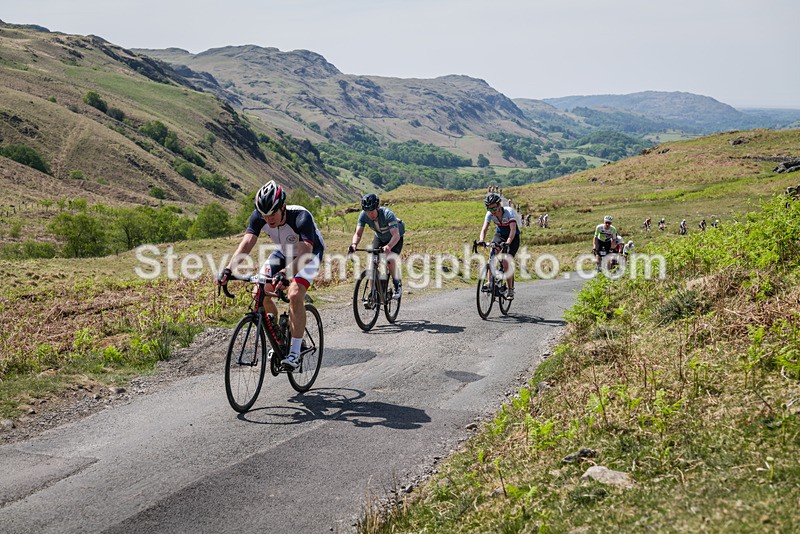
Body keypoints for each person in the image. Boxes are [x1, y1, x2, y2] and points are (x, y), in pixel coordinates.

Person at [217, 180, 325, 370]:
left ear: (283, 207)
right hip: (283, 252)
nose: (268, 220)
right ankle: (278, 337)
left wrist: (285, 273)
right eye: (264, 215)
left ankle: (295, 352)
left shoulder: (301, 216)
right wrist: (228, 269)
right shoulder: (260, 216)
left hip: (309, 253)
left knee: (294, 294)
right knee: (259, 292)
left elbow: (305, 253)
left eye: (272, 214)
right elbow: (247, 243)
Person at [348, 193, 405, 299]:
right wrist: (354, 244)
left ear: (378, 208)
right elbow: (358, 233)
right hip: (380, 237)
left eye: (372, 211)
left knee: (390, 259)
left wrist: (389, 246)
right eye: (367, 212)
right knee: (372, 261)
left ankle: (397, 284)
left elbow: (396, 235)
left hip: (395, 238)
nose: (370, 215)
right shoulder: (363, 215)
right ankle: (372, 293)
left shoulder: (388, 214)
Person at [478, 192, 520, 299]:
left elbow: (513, 230)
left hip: (513, 237)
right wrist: (481, 240)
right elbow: (484, 229)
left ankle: (510, 289)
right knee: (492, 255)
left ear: (499, 205)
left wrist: (508, 243)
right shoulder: (490, 214)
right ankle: (489, 282)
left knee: (505, 262)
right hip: (500, 234)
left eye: (494, 208)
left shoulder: (508, 212)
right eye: (489, 209)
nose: (492, 211)